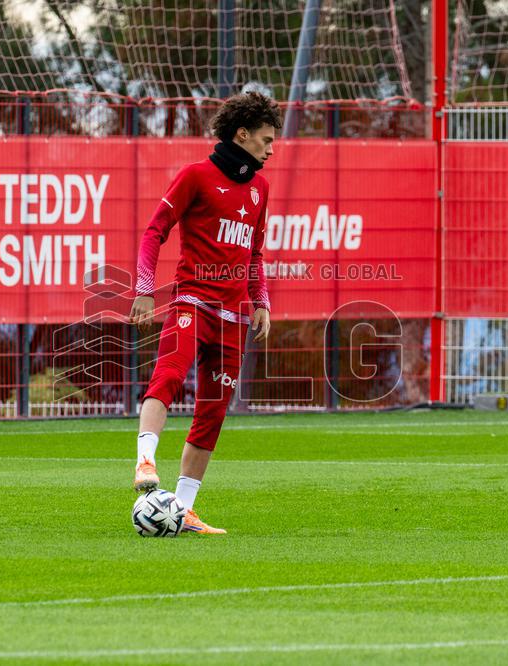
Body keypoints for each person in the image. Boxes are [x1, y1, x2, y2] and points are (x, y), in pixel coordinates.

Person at [128, 91, 281, 535]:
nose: (271, 150)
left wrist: (262, 302)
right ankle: (145, 460)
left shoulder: (260, 189)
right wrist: (143, 290)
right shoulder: (196, 176)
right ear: (242, 134)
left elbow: (254, 253)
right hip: (192, 303)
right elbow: (153, 232)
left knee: (213, 411)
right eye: (266, 140)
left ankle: (184, 509)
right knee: (169, 376)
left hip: (234, 319)